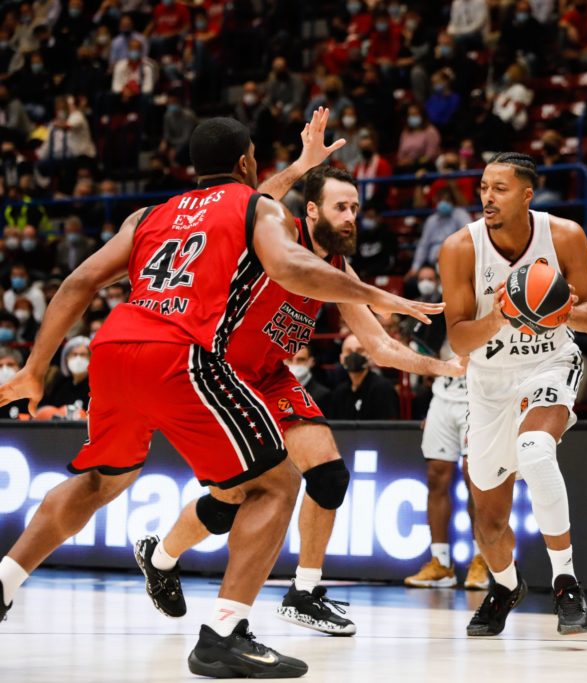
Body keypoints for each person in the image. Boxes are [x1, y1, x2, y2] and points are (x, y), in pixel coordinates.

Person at [0, 116, 439, 678]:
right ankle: (224, 634)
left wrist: (35, 368)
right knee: (274, 484)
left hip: (114, 347)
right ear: (247, 162)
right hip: (182, 355)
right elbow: (291, 264)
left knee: (99, 481)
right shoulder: (257, 209)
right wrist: (378, 295)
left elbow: (77, 283)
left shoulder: (147, 215)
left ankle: (5, 581)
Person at [136, 153, 462, 636]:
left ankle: (303, 593)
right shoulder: (278, 233)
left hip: (270, 376)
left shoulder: (339, 269)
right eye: (340, 207)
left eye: (355, 208)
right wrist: (304, 163)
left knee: (329, 477)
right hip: (221, 373)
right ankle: (161, 558)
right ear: (310, 210)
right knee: (228, 501)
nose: (350, 217)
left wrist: (446, 367)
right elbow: (243, 204)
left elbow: (379, 347)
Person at [438, 152, 587, 636]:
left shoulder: (564, 235)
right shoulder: (460, 248)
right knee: (488, 523)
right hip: (489, 383)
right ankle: (506, 586)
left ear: (527, 195)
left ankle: (566, 583)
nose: (487, 197)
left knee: (535, 449)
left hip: (549, 363)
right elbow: (459, 339)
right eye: (483, 187)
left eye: (500, 189)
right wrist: (500, 316)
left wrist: (561, 311)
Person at [403, 357, 491, 591]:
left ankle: (482, 559)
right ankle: (440, 563)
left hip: (481, 394)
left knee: (474, 476)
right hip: (443, 395)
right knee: (435, 477)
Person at [326, 333, 400, 420]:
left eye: (360, 351)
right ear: (341, 358)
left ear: (370, 356)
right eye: (349, 351)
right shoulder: (339, 393)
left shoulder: (383, 389)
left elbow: (387, 426)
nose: (354, 355)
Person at [39, 335, 91, 413]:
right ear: (66, 358)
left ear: (91, 358)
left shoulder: (96, 387)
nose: (78, 358)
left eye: (83, 355)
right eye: (74, 354)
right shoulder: (60, 384)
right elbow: (46, 408)